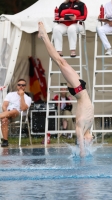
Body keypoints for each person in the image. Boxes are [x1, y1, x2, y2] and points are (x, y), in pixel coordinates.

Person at [38, 22, 94, 157]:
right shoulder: (88, 127)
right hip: (80, 89)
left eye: (89, 142)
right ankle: (44, 36)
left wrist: (82, 153)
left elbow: (81, 145)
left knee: (60, 61)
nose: (91, 141)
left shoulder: (80, 129)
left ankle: (44, 36)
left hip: (79, 90)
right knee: (61, 61)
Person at [0, 79, 32, 147]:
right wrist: (7, 113)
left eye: (23, 85)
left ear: (25, 87)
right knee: (4, 120)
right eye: (19, 85)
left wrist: (22, 96)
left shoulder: (27, 98)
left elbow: (23, 108)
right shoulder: (10, 94)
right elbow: (4, 105)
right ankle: (5, 141)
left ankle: (5, 114)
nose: (20, 86)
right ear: (17, 86)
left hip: (19, 115)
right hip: (8, 113)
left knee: (14, 111)